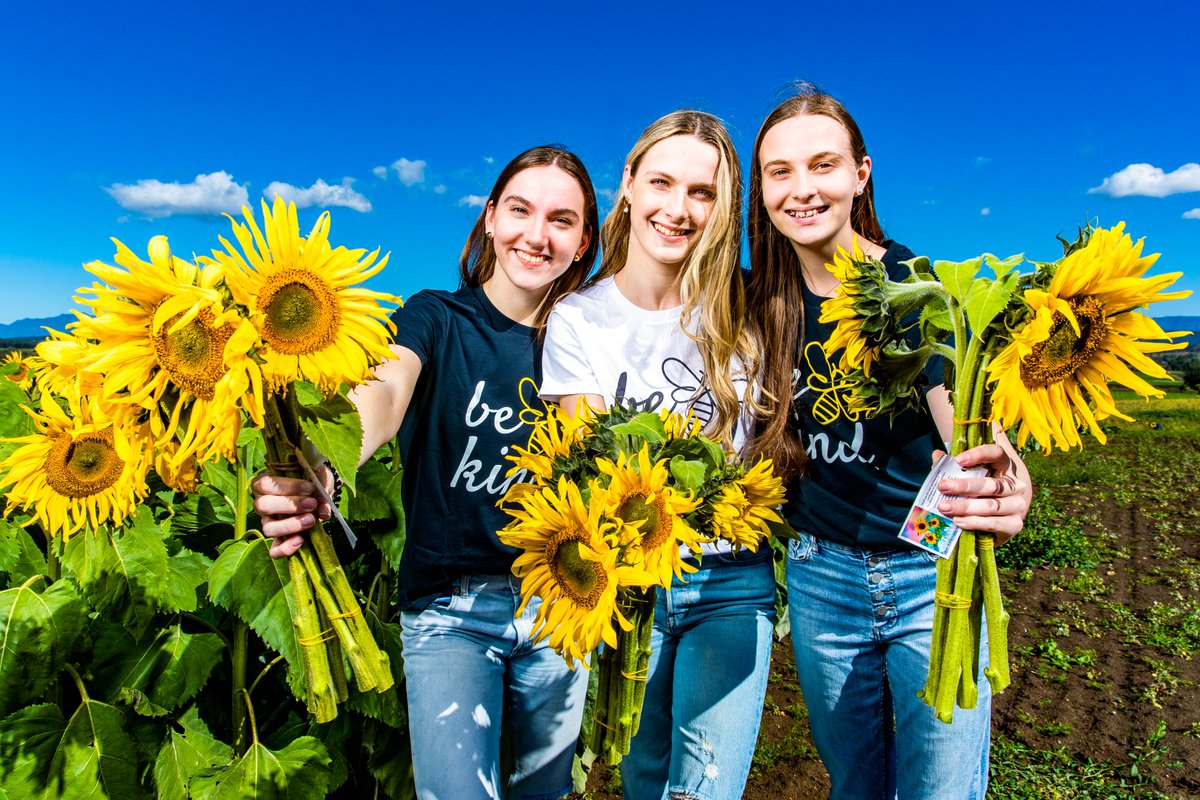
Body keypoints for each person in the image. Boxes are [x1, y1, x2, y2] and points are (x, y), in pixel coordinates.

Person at [253, 145, 600, 800]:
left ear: (583, 243)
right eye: (521, 210)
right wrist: (325, 464)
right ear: (491, 217)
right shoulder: (436, 317)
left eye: (561, 220)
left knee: (547, 794)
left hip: (560, 603)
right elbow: (383, 392)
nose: (535, 234)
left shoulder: (584, 346)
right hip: (451, 606)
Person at [745, 84, 1032, 800]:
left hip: (928, 574)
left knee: (940, 788)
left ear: (860, 175)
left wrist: (1002, 477)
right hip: (820, 580)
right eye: (780, 172)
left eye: (823, 166)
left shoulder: (913, 286)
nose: (801, 190)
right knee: (855, 785)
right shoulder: (761, 303)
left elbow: (961, 416)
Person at [539, 110, 769, 800]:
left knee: (705, 787)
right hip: (631, 586)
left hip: (729, 582)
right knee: (641, 777)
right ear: (629, 185)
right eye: (662, 182)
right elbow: (585, 468)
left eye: (702, 193)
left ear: (723, 208)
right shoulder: (578, 318)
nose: (678, 209)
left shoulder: (752, 309)